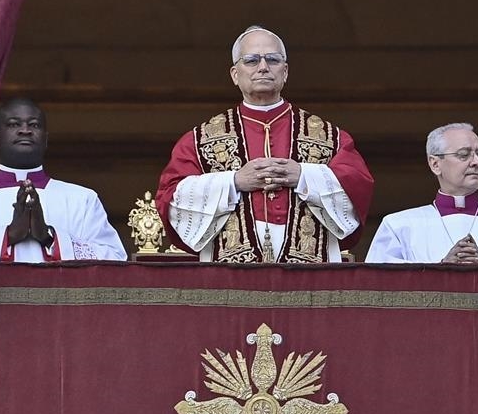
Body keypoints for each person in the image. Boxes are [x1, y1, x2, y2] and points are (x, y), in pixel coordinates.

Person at [155, 26, 374, 263]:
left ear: (285, 71)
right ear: (235, 74)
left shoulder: (329, 136)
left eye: (272, 59)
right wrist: (233, 181)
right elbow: (170, 198)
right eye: (251, 60)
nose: (263, 67)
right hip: (229, 270)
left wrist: (303, 175)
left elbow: (358, 187)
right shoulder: (199, 140)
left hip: (310, 268)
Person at [0, 97, 127, 262]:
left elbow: (115, 258)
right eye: (14, 124)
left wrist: (49, 237)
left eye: (34, 125)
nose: (25, 130)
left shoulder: (83, 199)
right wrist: (8, 235)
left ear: (46, 140)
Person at [365, 122, 478, 264]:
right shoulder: (398, 226)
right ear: (435, 164)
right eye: (464, 154)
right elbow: (379, 287)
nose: (476, 162)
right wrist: (442, 269)